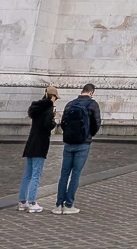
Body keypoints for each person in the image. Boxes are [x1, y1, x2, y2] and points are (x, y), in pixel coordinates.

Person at [56, 82, 101, 214]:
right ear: (91, 92)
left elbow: (63, 123)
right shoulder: (93, 104)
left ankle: (58, 205)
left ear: (82, 91)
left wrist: (70, 135)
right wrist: (88, 135)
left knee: (64, 174)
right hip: (83, 144)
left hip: (69, 143)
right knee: (75, 174)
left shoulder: (70, 103)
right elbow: (96, 123)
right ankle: (69, 205)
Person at [20, 86, 58, 212]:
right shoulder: (49, 108)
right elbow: (47, 124)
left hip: (31, 143)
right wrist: (54, 121)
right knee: (36, 174)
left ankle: (22, 201)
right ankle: (32, 202)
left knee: (28, 174)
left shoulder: (36, 107)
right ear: (53, 96)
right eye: (56, 98)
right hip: (41, 144)